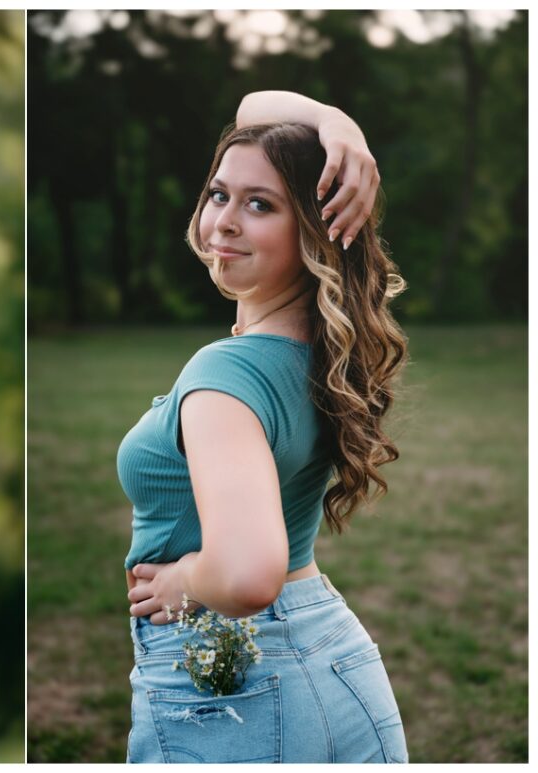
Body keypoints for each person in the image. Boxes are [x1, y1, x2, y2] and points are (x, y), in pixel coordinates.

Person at [119, 91, 410, 763]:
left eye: (261, 205)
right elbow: (255, 102)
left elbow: (250, 575)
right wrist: (341, 126)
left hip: (235, 688)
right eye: (219, 193)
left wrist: (182, 579)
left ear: (316, 228)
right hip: (334, 657)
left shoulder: (227, 375)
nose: (223, 220)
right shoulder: (320, 353)